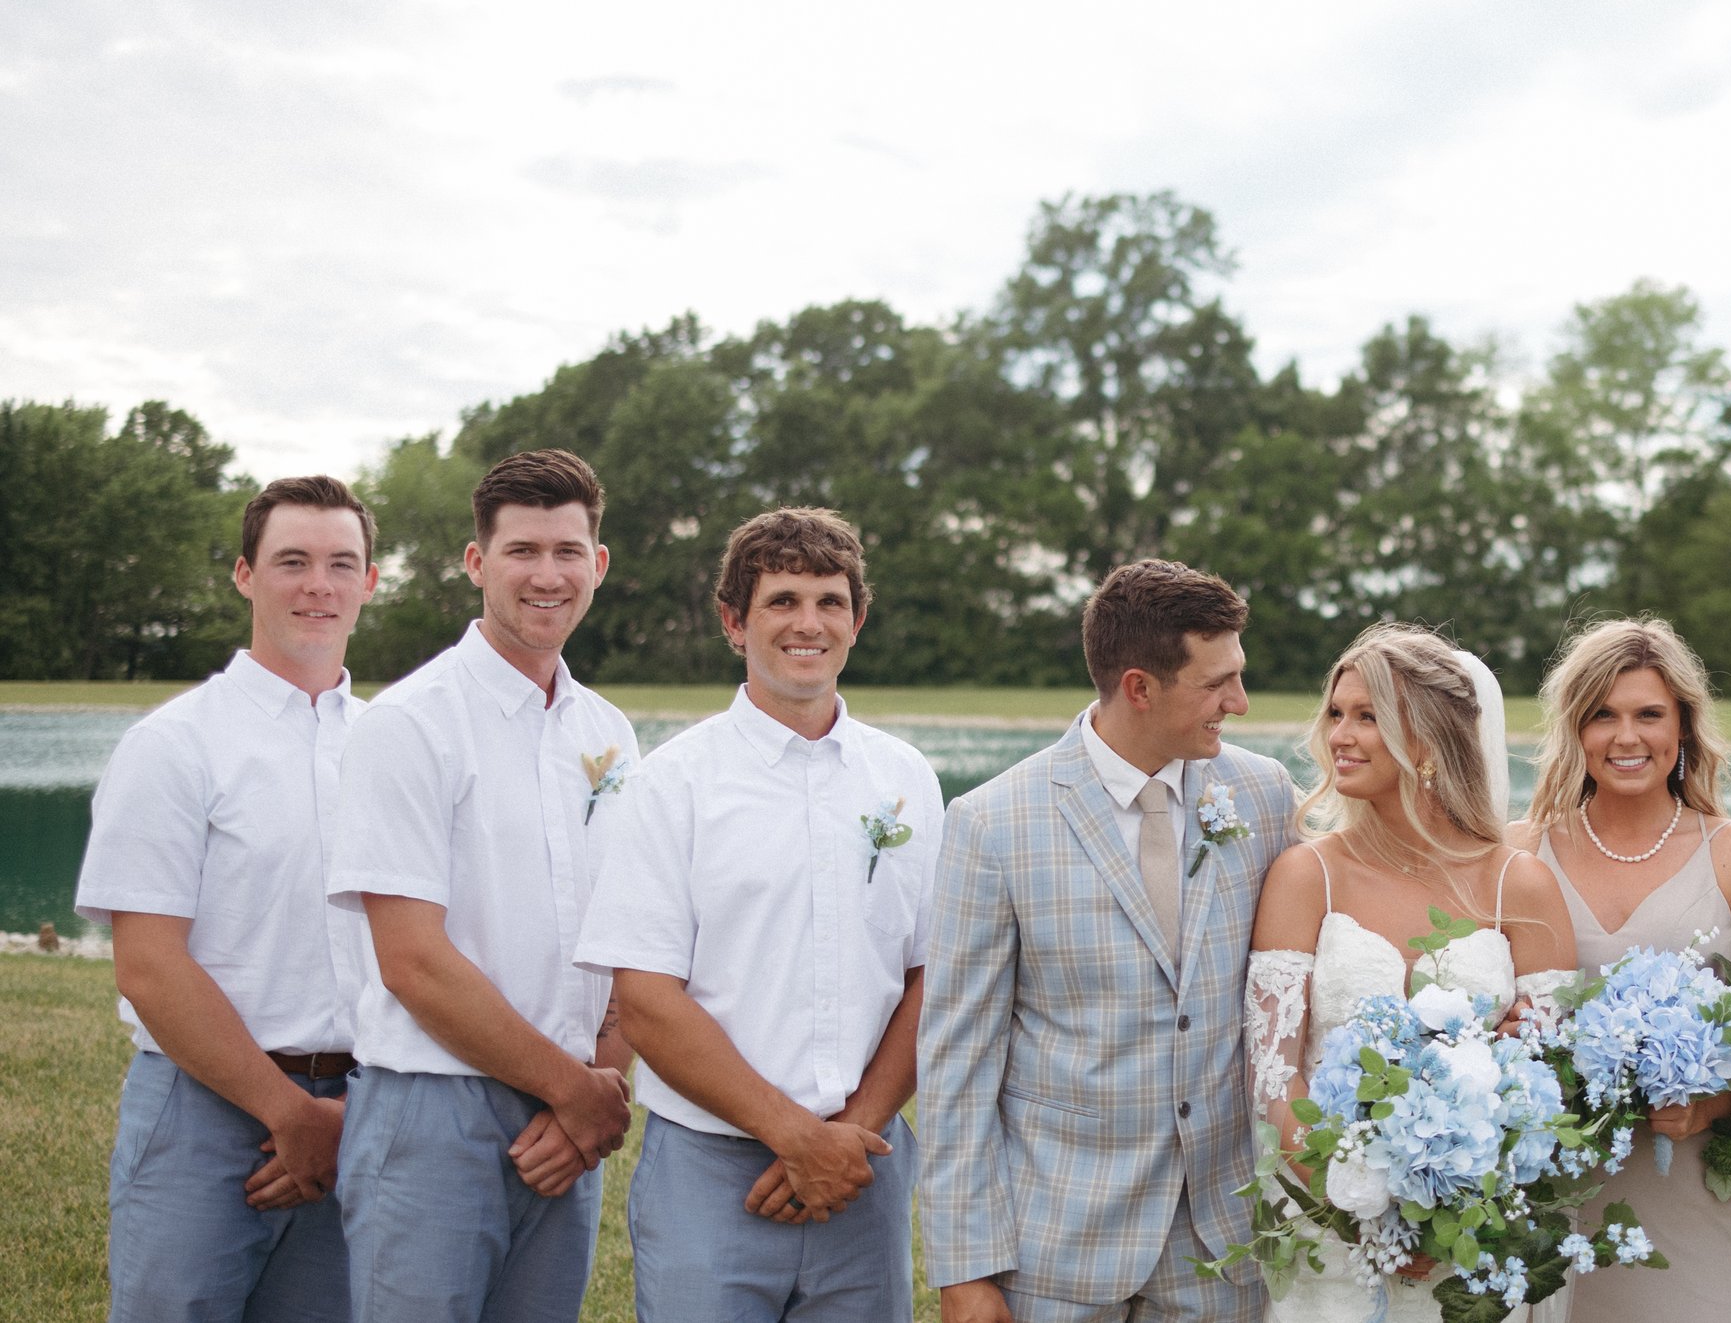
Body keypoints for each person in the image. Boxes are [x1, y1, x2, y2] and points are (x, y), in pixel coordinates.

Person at [577, 508, 940, 1323]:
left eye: (829, 600)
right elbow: (647, 999)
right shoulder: (673, 783)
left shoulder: (906, 775)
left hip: (864, 1167)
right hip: (711, 1169)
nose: (808, 622)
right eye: (781, 600)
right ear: (734, 621)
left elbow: (930, 974)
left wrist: (849, 1135)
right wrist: (794, 1135)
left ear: (857, 618)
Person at [919, 560, 1301, 1323]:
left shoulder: (1262, 792)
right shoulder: (993, 822)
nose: (1241, 702)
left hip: (1219, 1251)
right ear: (1139, 687)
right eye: (1217, 683)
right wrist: (964, 1269)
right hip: (1055, 1249)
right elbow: (958, 1061)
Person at [327, 448, 640, 1322]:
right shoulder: (409, 724)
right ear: (476, 563)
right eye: (522, 551)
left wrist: (598, 1090)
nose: (548, 574)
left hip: (567, 1116)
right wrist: (575, 1091)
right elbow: (413, 961)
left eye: (568, 551)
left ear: (598, 564)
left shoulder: (610, 733)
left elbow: (629, 938)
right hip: (431, 1112)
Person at [75, 475, 379, 1323]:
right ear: (246, 575)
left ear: (370, 581)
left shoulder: (391, 747)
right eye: (291, 561)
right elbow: (148, 965)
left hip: (360, 1113)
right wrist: (288, 1112)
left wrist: (346, 1114)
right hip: (203, 1116)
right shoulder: (174, 745)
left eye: (339, 563)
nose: (317, 584)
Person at [1248, 622, 1577, 1323]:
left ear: (1426, 740)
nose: (1341, 733)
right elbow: (1275, 1073)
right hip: (1329, 1241)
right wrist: (1364, 1213)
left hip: (1470, 1244)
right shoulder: (1305, 875)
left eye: (1368, 716)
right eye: (1336, 713)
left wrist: (1447, 1216)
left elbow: (1550, 1079)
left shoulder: (1518, 884)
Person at [1507, 618, 1731, 1320]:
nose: (1626, 737)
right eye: (1602, 715)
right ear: (1575, 730)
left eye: (1649, 714)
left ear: (1685, 727)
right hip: (1553, 1202)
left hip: (1694, 1195)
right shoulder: (1517, 853)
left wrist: (1714, 1105)